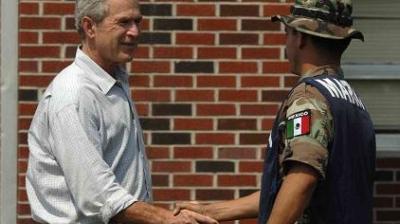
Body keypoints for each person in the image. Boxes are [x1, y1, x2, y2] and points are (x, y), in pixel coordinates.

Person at [175, 0, 376, 223]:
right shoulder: (354, 102)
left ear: (300, 37)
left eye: (287, 32)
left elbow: (302, 179)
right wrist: (211, 212)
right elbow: (290, 188)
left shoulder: (309, 97)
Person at [25, 0, 218, 223]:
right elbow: (98, 195)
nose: (135, 31)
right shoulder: (74, 95)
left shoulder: (112, 80)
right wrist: (166, 219)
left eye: (138, 21)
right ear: (90, 28)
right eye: (124, 22)